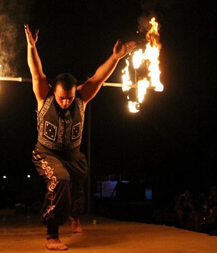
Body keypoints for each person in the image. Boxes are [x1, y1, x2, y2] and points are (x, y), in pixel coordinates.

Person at [24, 24, 136, 251]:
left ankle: (75, 216)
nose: (65, 102)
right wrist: (31, 45)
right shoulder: (43, 96)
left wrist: (115, 58)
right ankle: (52, 235)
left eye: (69, 98)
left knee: (77, 189)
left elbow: (99, 77)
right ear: (53, 91)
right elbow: (36, 71)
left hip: (73, 155)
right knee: (60, 180)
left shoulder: (81, 99)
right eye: (62, 98)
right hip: (47, 153)